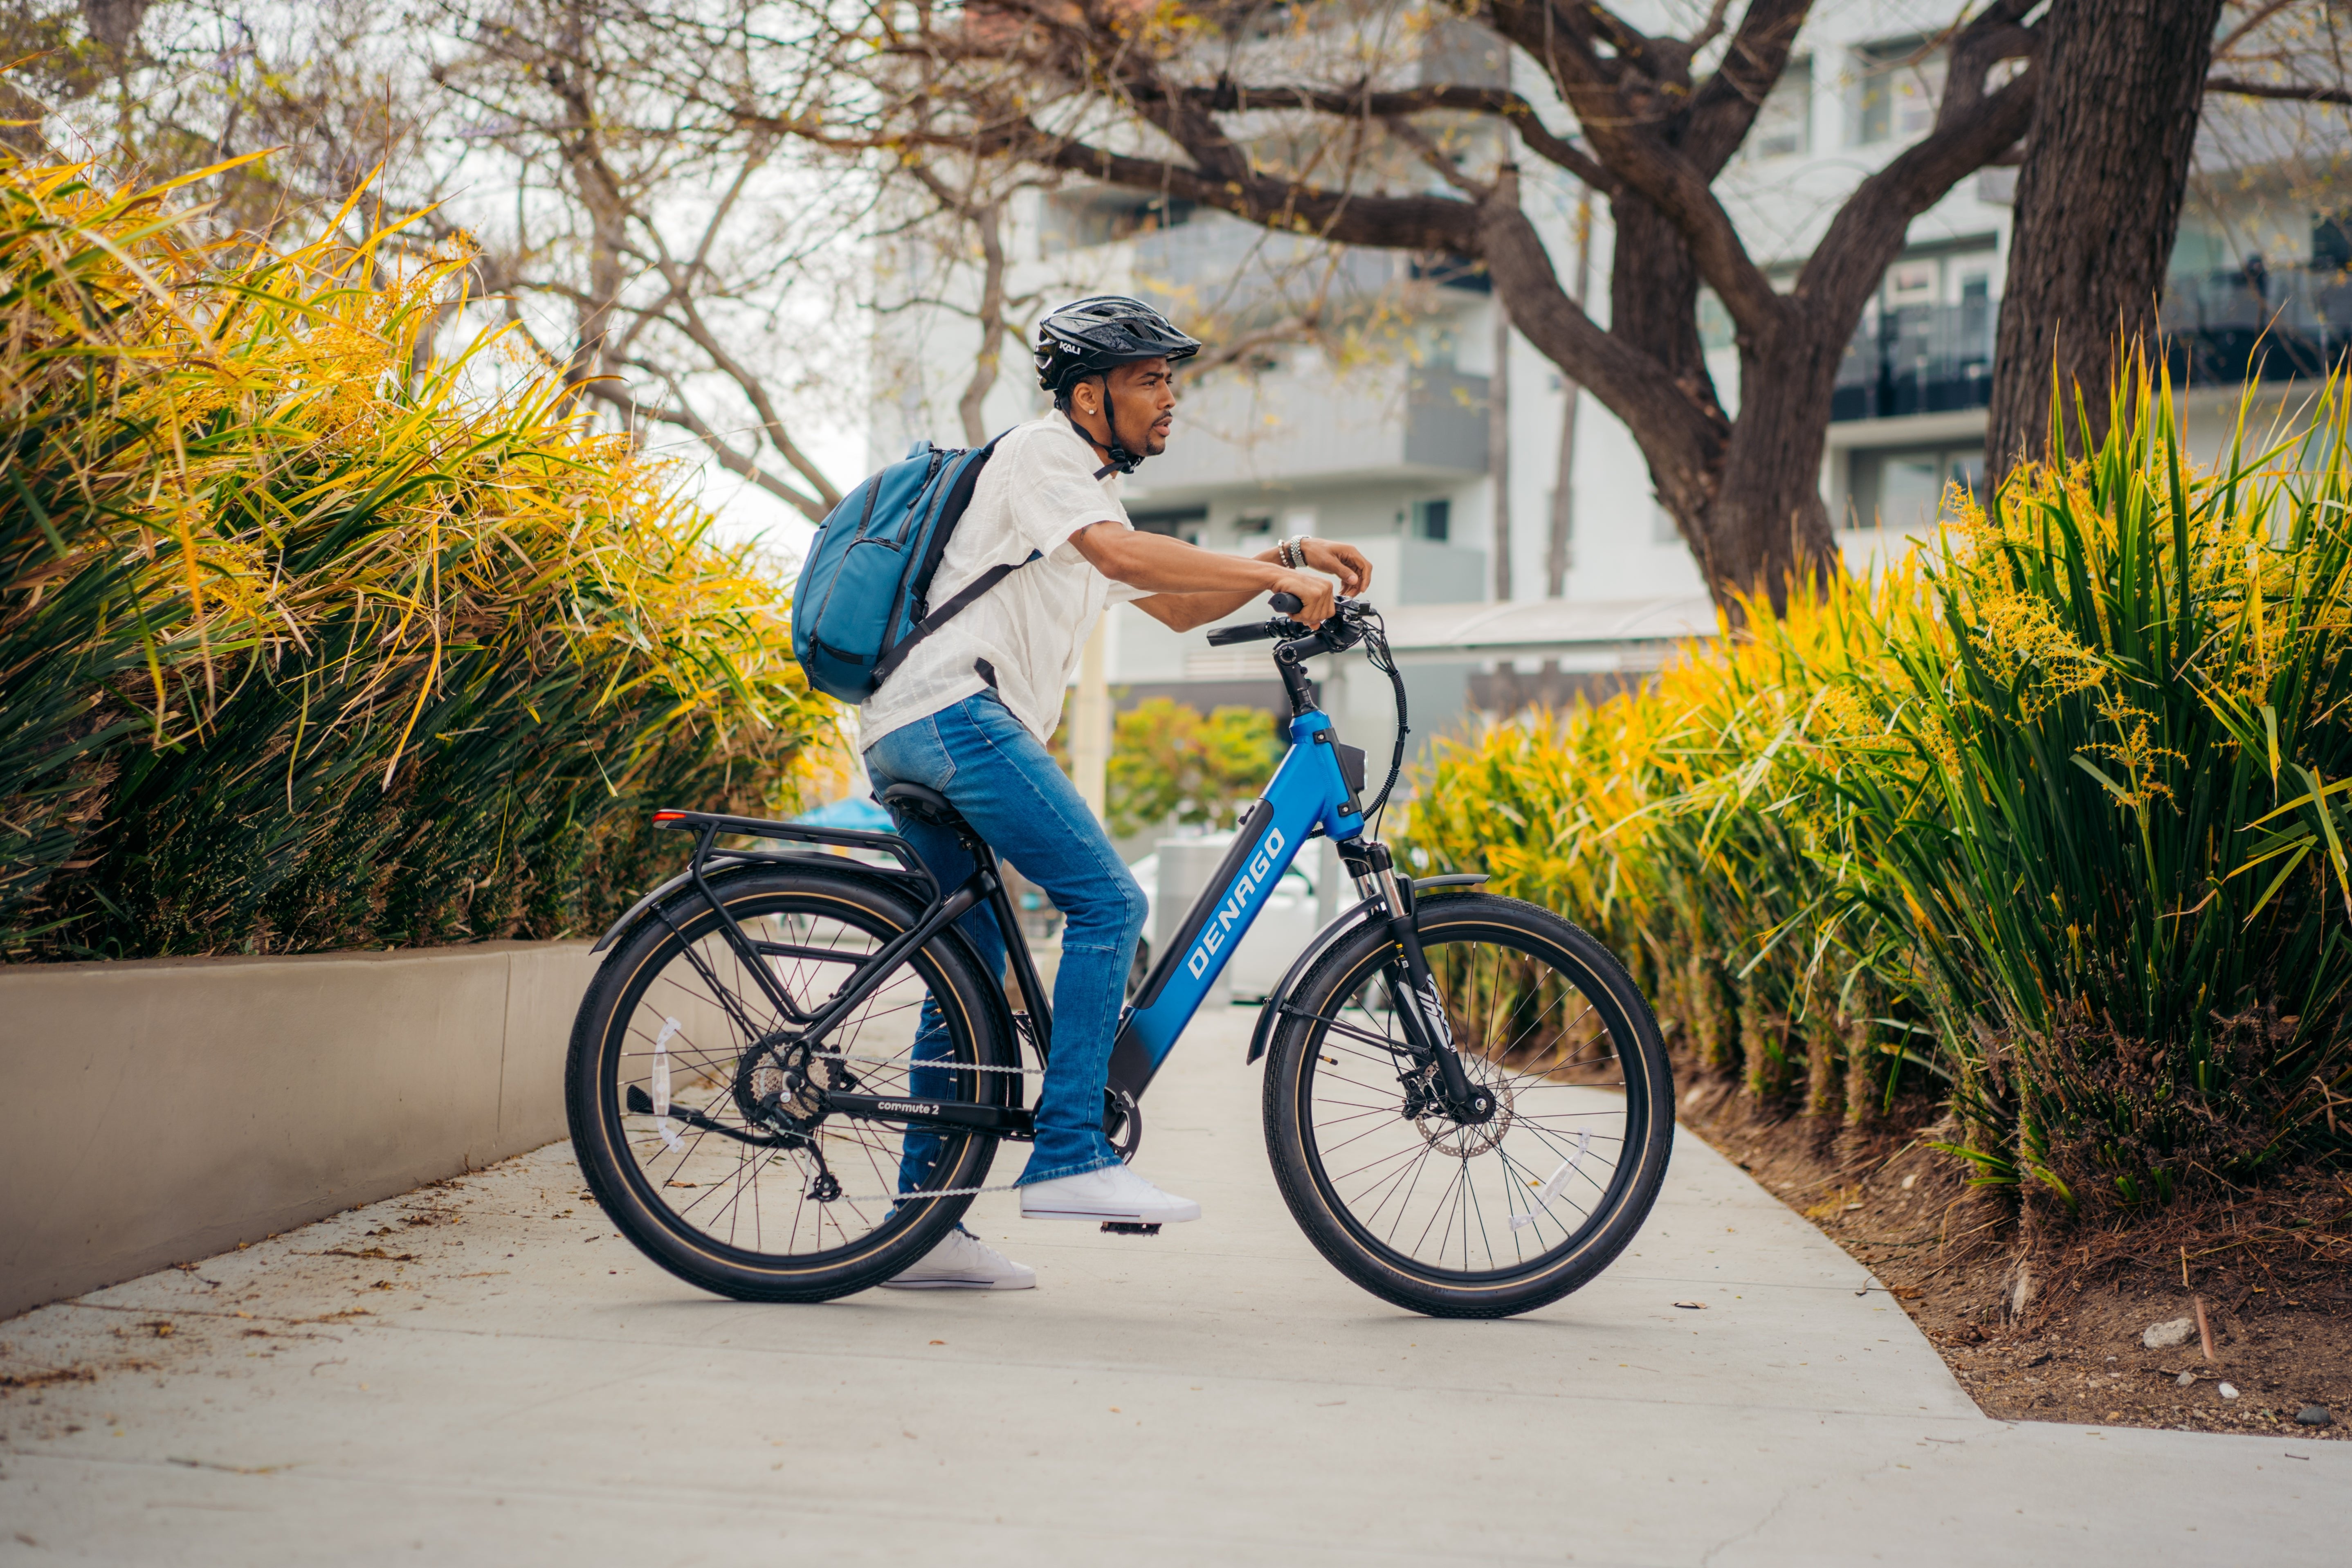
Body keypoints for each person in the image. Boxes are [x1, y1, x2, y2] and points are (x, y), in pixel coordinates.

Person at [869, 295, 1371, 1290]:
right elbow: (1119, 555)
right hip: (953, 714)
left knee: (965, 976)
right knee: (1109, 901)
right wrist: (1278, 571)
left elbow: (1174, 604)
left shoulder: (1082, 488)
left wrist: (1285, 562)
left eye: (1169, 381)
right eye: (1149, 381)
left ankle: (918, 1232)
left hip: (914, 725)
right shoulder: (1042, 456)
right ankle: (1069, 1153)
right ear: (1088, 396)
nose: (1168, 399)